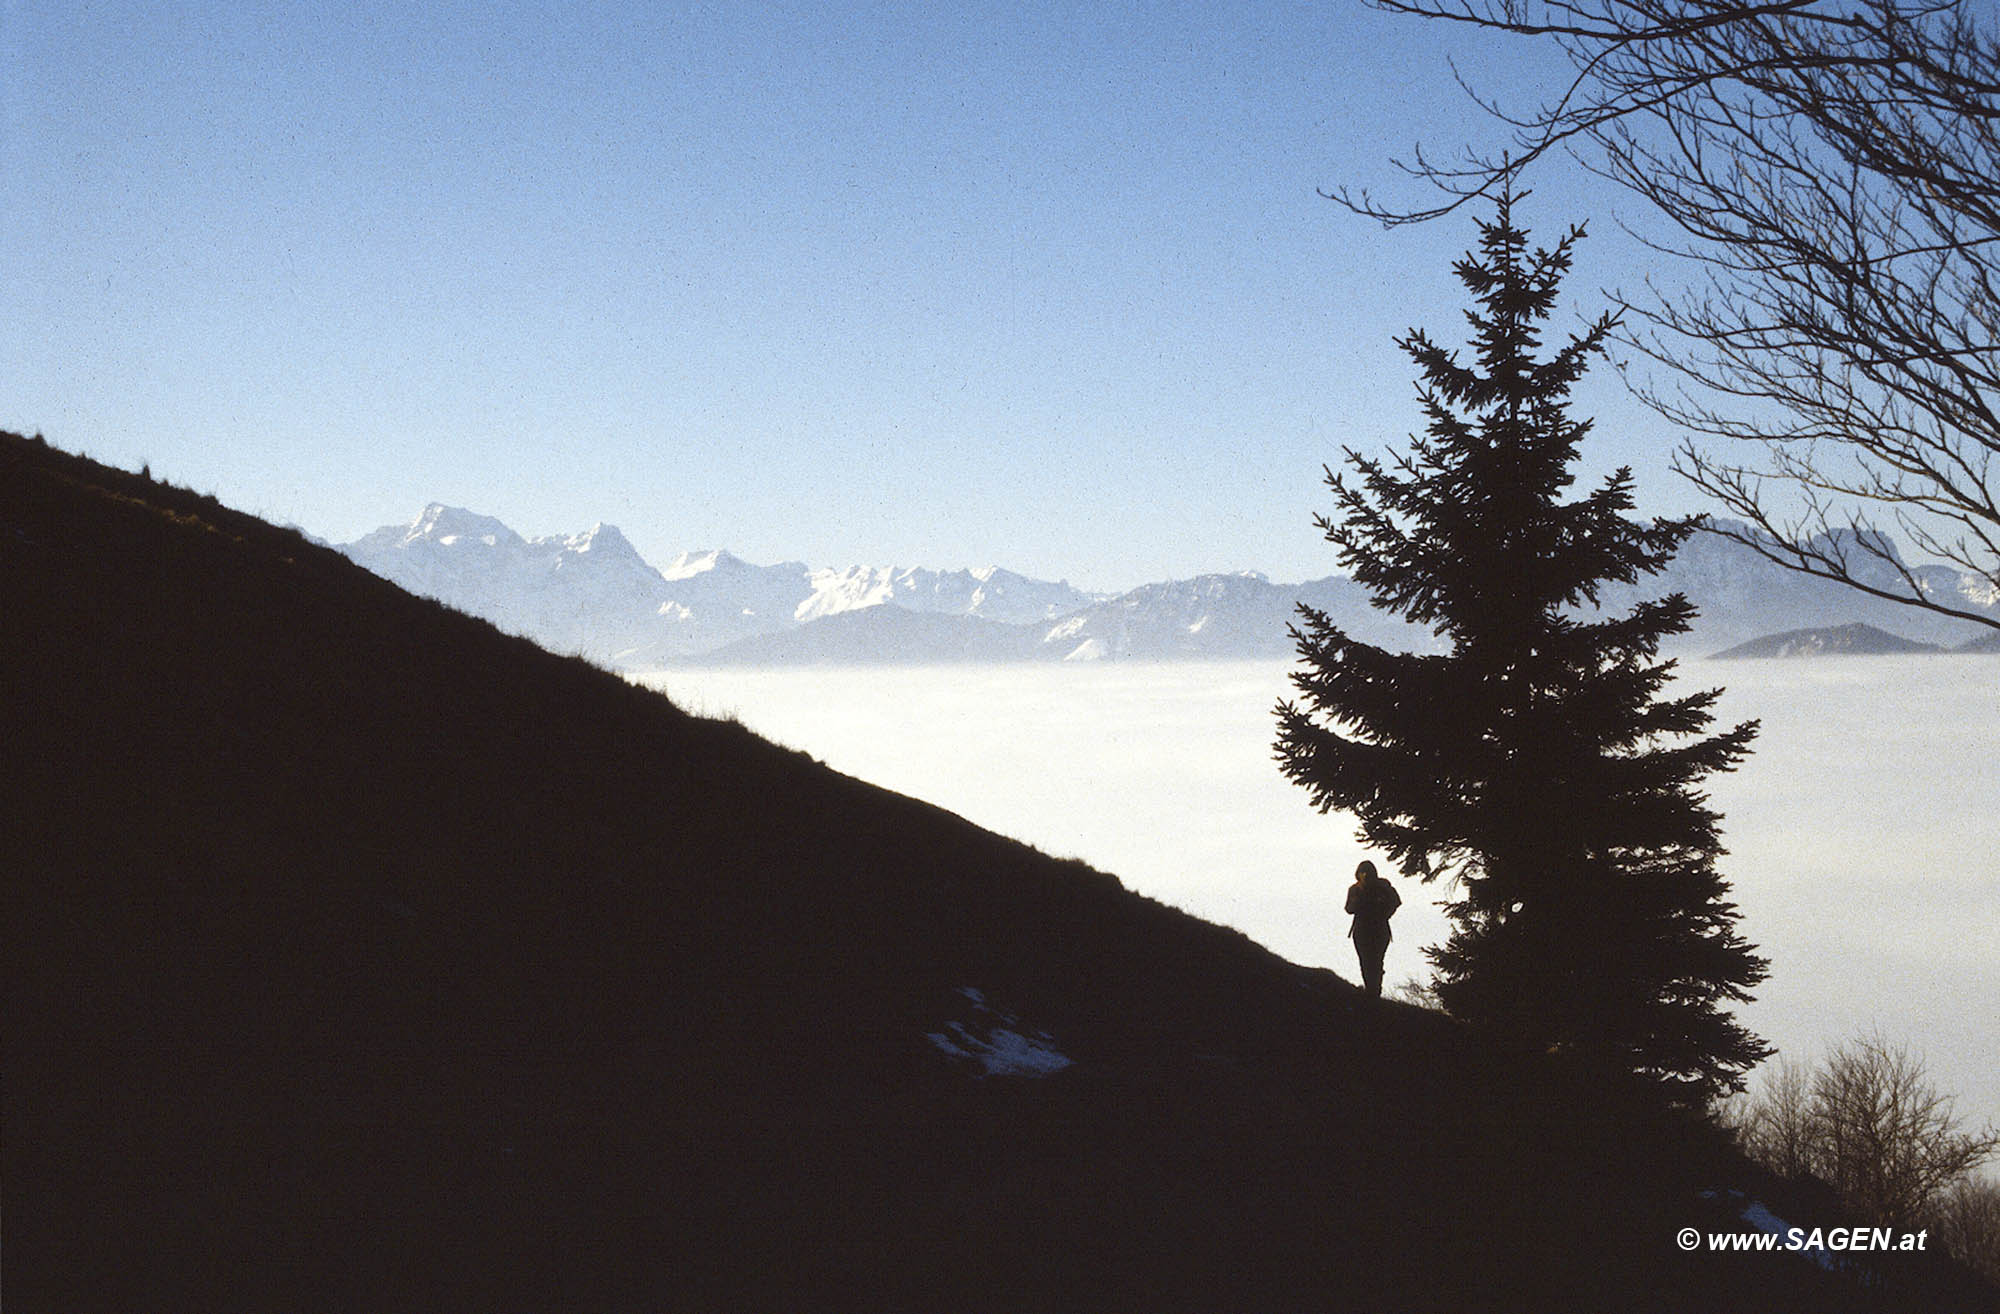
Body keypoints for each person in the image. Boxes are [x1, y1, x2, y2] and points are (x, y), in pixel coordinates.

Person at [1345, 860, 1401, 998]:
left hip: (1377, 929)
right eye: (1363, 873)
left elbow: (1395, 902)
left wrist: (1385, 913)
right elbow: (1349, 909)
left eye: (1367, 873)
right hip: (1363, 929)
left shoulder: (1383, 887)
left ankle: (1374, 991)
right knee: (1367, 961)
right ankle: (1372, 990)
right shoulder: (1356, 889)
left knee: (1374, 961)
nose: (1365, 876)